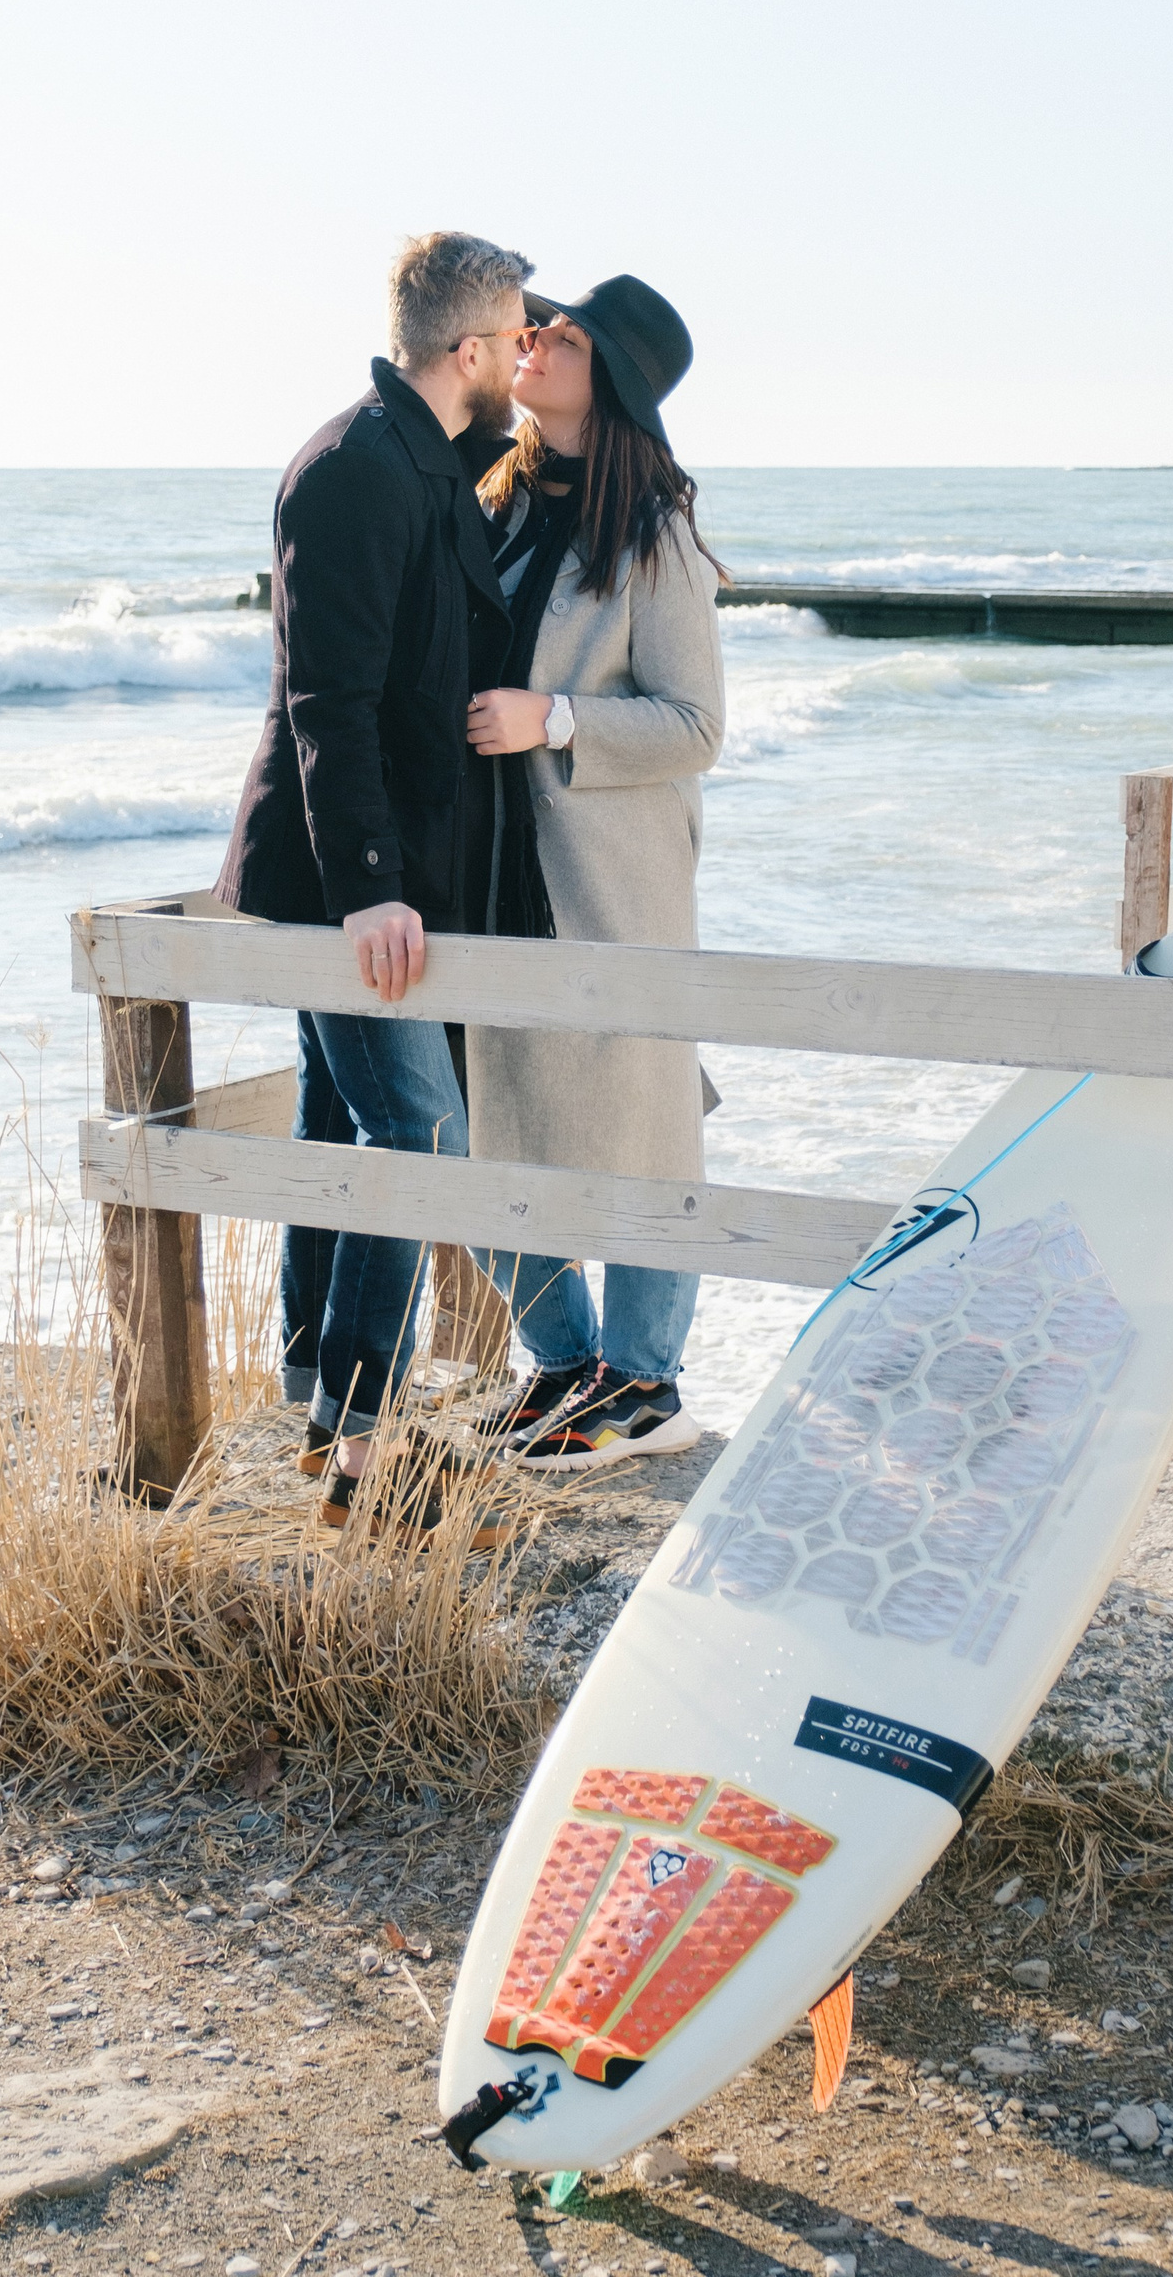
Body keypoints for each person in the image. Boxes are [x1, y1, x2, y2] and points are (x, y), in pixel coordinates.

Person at [214, 230, 530, 1531]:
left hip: (382, 871)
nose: (524, 360)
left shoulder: (426, 459)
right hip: (344, 882)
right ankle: (359, 1442)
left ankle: (318, 1405)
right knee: (417, 1131)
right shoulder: (355, 468)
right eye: (517, 338)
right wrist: (370, 887)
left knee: (338, 1124)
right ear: (469, 347)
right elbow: (328, 704)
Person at [459, 274, 727, 1465]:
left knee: (643, 1116)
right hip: (491, 860)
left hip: (613, 867)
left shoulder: (653, 533)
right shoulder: (494, 499)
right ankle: (566, 1362)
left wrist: (554, 720)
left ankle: (646, 1384)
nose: (534, 336)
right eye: (539, 323)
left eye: (563, 335)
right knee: (481, 1113)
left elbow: (696, 726)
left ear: (606, 379)